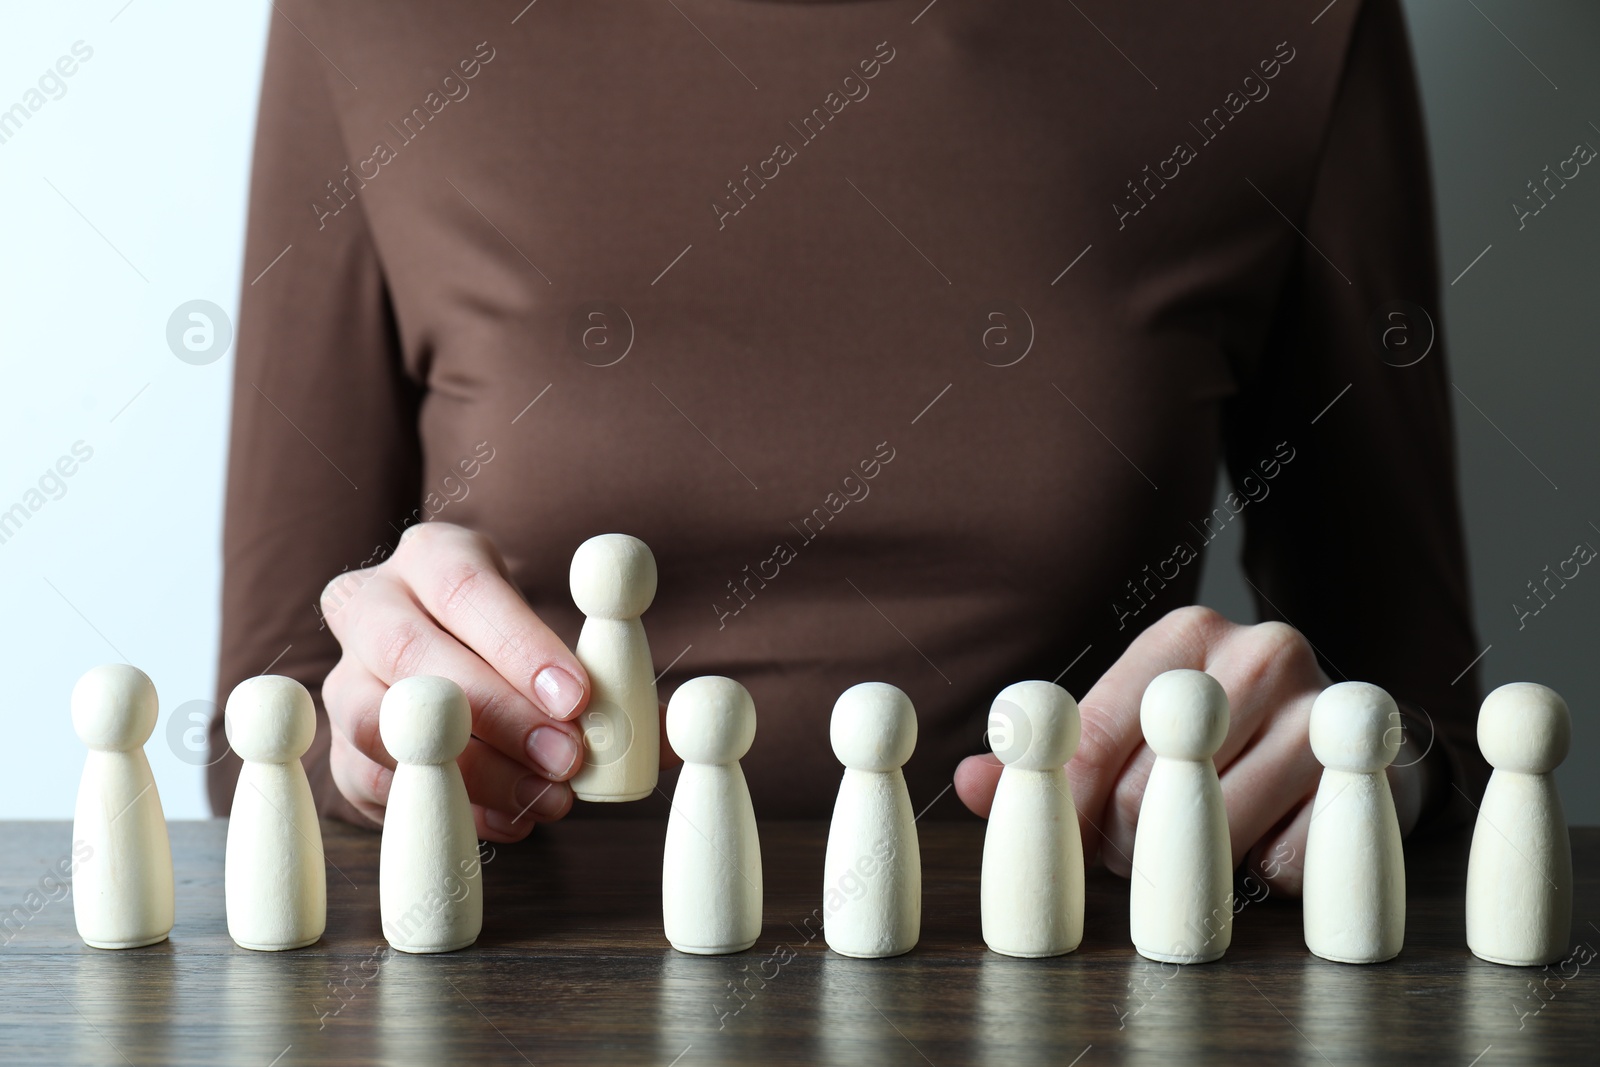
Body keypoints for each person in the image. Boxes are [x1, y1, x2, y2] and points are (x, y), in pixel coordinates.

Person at [209, 0, 1483, 895]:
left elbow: (1426, 712)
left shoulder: (1288, 27)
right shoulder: (372, 17)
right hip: (524, 984)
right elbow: (254, 722)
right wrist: (361, 731)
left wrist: (1348, 767)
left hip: (1069, 985)